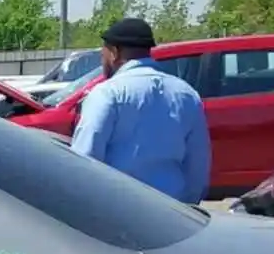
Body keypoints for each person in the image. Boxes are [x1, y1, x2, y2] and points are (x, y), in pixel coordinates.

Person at [70, 17, 211, 203]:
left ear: (114, 53)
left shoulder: (108, 93)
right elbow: (198, 164)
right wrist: (189, 205)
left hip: (120, 209)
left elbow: (84, 158)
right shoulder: (186, 94)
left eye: (102, 54)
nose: (102, 60)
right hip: (174, 211)